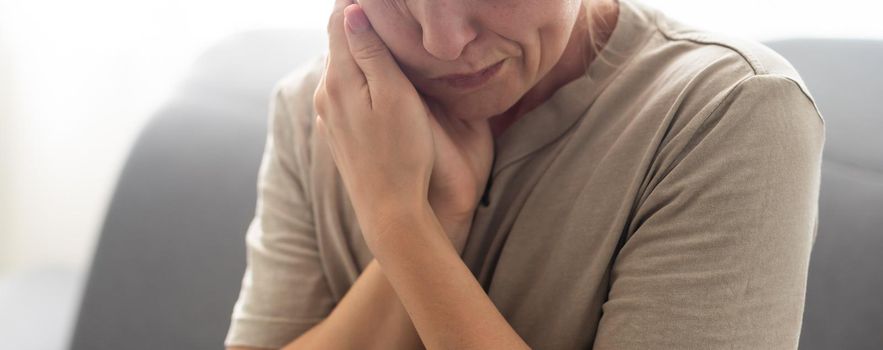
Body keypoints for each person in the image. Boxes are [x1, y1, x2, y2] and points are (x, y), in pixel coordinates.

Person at [224, 0, 826, 348]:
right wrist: (443, 217)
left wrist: (402, 223)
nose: (444, 40)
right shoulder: (322, 107)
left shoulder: (730, 110)